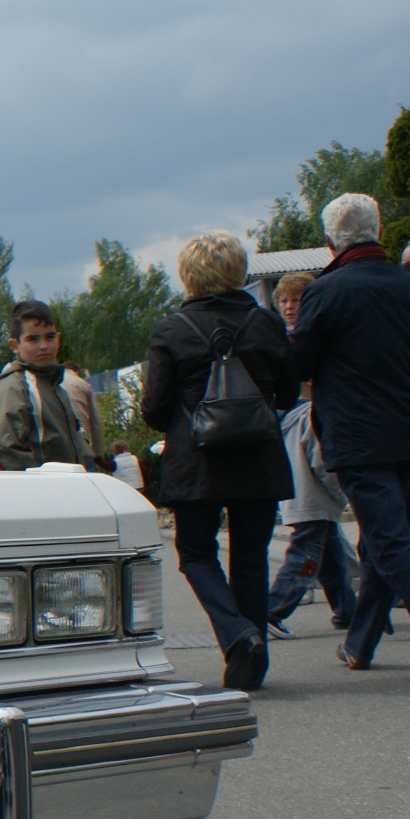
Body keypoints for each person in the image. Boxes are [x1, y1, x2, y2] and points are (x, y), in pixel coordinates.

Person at [140, 232, 297, 691]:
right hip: (258, 458)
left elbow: (153, 408)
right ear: (238, 271)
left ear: (188, 275)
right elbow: (288, 394)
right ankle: (252, 666)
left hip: (197, 463)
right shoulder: (266, 323)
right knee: (250, 559)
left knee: (195, 554)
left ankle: (236, 633)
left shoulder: (171, 329)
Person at [285, 193, 410, 673]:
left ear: (330, 241)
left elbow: (300, 364)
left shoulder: (327, 291)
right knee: (384, 539)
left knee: (388, 543)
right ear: (378, 231)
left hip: (358, 436)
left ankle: (367, 640)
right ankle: (360, 642)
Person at [262, 395, 355, 638]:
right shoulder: (310, 415)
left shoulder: (277, 420)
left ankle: (349, 612)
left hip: (296, 498)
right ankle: (271, 611)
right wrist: (342, 493)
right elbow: (323, 461)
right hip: (315, 499)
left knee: (332, 561)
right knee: (305, 561)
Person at [0, 301, 94, 470]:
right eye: (32, 339)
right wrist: (41, 481)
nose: (43, 346)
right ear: (15, 345)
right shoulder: (14, 386)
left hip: (70, 482)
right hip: (41, 485)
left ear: (58, 339)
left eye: (49, 337)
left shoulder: (55, 385)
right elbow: (3, 447)